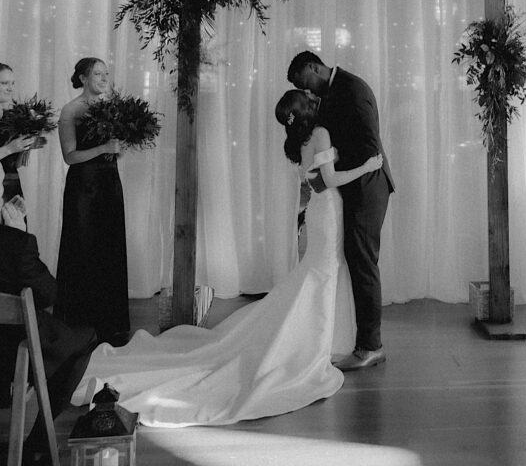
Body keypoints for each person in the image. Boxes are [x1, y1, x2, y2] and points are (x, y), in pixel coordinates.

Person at [70, 91, 382, 427]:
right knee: (323, 273)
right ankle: (309, 346)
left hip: (321, 209)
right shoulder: (320, 133)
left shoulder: (304, 140)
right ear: (305, 109)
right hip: (329, 209)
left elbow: (313, 181)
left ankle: (314, 341)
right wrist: (367, 166)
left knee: (319, 272)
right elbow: (331, 180)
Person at [287, 51, 395, 371]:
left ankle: (370, 347)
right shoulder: (334, 91)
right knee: (356, 260)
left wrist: (327, 165)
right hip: (353, 188)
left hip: (367, 188)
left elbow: (367, 147)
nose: (305, 91)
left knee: (363, 263)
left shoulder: (352, 90)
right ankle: (359, 340)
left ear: (314, 67)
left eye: (303, 82)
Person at [0, 195, 97, 466]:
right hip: (9, 358)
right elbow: (47, 294)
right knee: (83, 340)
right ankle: (38, 443)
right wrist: (19, 233)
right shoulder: (12, 242)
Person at [54, 57, 129, 345]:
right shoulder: (70, 110)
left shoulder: (111, 109)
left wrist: (117, 149)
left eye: (106, 73)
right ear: (83, 78)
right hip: (83, 187)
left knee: (109, 247)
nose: (104, 78)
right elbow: (69, 156)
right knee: (82, 247)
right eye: (98, 73)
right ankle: (79, 320)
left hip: (110, 184)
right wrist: (103, 148)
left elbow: (116, 149)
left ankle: (111, 322)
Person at [0, 62, 35, 205]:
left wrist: (25, 147)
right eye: (4, 83)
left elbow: (16, 164)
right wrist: (10, 148)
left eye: (12, 83)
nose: (10, 88)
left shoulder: (12, 116)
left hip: (12, 183)